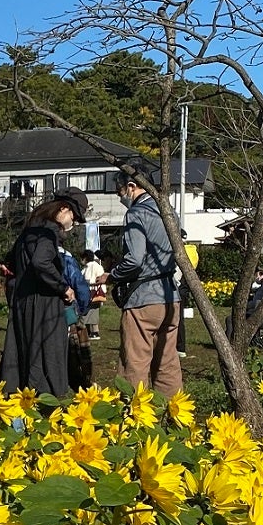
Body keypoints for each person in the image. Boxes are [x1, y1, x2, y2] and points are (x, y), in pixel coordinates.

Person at [0, 189, 85, 398]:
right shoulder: (49, 231)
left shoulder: (29, 230)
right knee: (47, 357)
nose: (71, 225)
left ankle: (18, 406)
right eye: (73, 218)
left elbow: (8, 261)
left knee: (22, 355)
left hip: (23, 301)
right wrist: (63, 287)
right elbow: (41, 262)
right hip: (44, 305)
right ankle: (46, 405)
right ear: (63, 209)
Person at [108, 168, 183, 397]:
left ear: (131, 187)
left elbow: (134, 259)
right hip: (170, 296)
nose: (121, 197)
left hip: (143, 297)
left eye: (119, 191)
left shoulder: (136, 213)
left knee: (135, 363)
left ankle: (134, 419)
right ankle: (173, 418)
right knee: (167, 364)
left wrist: (111, 275)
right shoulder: (169, 212)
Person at [62, 243, 94, 391]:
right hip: (67, 310)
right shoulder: (66, 258)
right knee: (75, 350)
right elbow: (80, 287)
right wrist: (81, 309)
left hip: (42, 314)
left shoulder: (32, 253)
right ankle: (81, 381)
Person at [81, 250, 107, 340]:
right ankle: (92, 332)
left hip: (92, 292)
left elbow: (87, 279)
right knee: (93, 312)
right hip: (95, 293)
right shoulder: (97, 266)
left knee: (91, 312)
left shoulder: (89, 267)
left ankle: (94, 333)